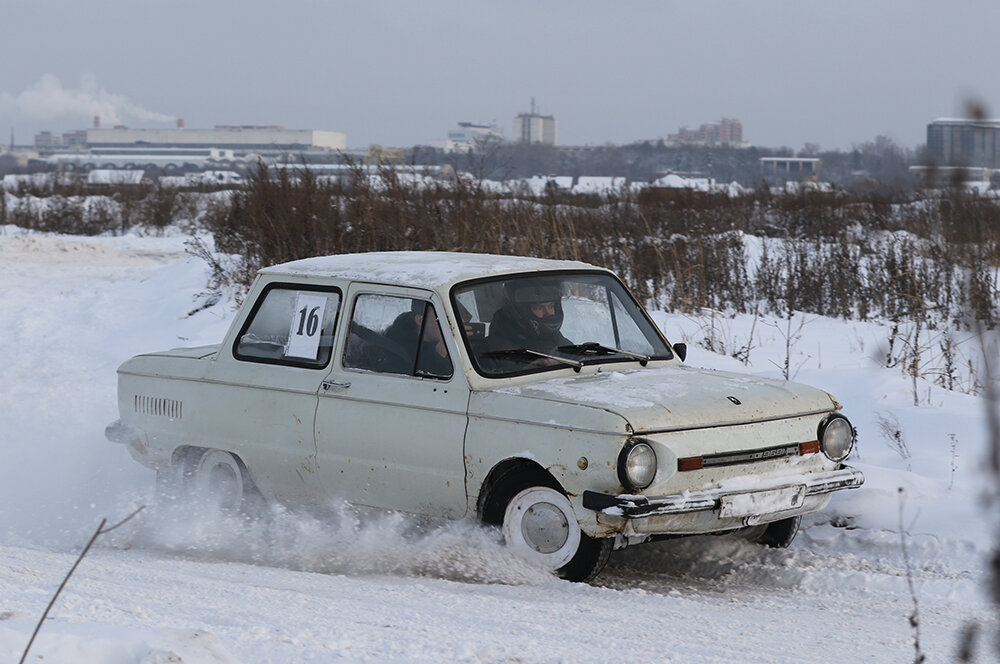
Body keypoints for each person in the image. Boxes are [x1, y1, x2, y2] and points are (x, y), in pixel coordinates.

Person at [486, 280, 570, 359]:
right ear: (520, 312)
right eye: (539, 308)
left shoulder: (555, 339)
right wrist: (529, 367)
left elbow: (576, 359)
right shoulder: (498, 345)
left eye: (551, 306)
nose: (548, 314)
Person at [384, 300, 453, 378]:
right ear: (420, 320)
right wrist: (440, 353)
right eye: (440, 319)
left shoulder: (435, 341)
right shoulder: (399, 351)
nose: (448, 325)